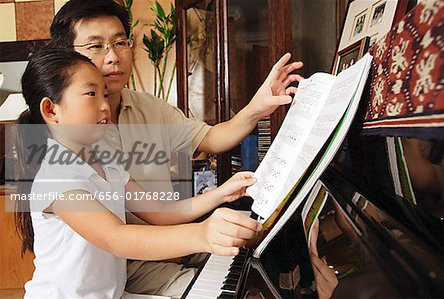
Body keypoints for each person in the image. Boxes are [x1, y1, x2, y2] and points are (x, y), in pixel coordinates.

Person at [48, 0, 304, 296]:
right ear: (67, 58)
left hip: (173, 236)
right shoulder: (69, 146)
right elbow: (117, 238)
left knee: (264, 240)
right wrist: (198, 234)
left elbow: (207, 146)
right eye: (95, 46)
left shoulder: (147, 108)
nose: (113, 57)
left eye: (120, 42)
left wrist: (257, 108)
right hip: (125, 266)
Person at [15, 48, 262, 298]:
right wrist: (202, 234)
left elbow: (161, 212)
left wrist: (220, 194)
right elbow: (116, 238)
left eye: (105, 93)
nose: (104, 106)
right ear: (51, 110)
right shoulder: (57, 177)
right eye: (91, 94)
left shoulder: (104, 163)